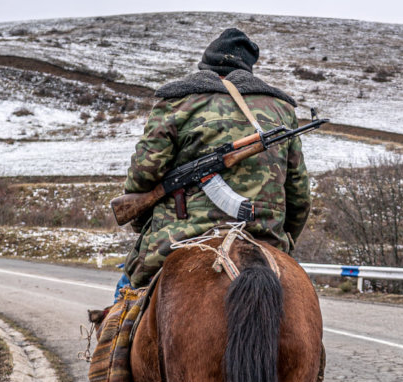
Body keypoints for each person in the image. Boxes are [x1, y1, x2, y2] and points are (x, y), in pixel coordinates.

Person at [116, 28, 311, 298]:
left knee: (126, 297)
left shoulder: (176, 102)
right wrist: (282, 241)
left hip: (177, 238)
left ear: (205, 65)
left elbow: (141, 177)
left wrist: (142, 227)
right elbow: (299, 197)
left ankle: (118, 326)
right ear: (248, 69)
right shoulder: (282, 110)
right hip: (264, 237)